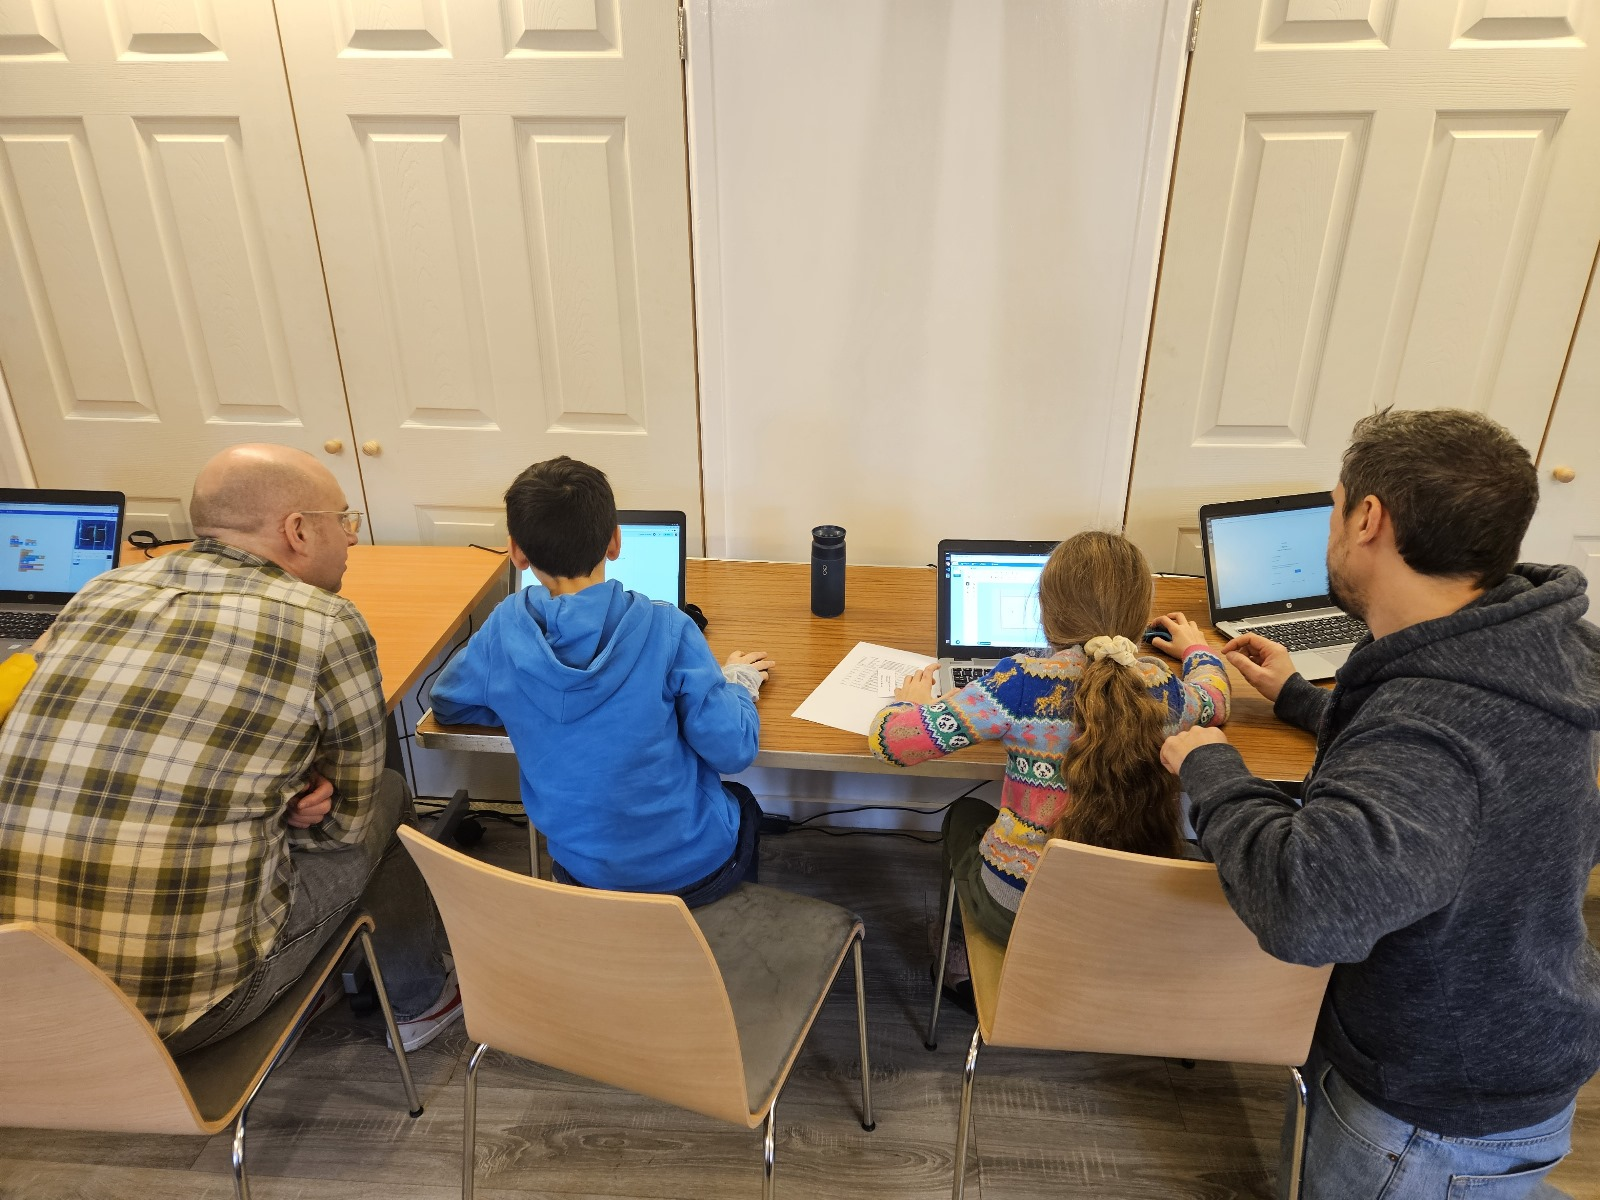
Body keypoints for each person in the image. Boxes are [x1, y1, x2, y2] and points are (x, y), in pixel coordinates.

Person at [1160, 409, 1600, 1200]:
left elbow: (1306, 908)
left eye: (1332, 505)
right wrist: (1301, 699)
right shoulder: (1526, 646)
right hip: (1515, 1039)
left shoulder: (1433, 723)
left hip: (1431, 1111)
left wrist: (1214, 769)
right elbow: (1462, 797)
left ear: (1369, 518)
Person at [0, 444, 460, 1053]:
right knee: (389, 798)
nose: (350, 539)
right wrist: (278, 802)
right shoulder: (327, 622)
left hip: (20, 997)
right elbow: (340, 829)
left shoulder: (100, 591)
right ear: (297, 530)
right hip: (176, 1016)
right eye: (343, 520)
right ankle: (421, 999)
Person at [867, 530, 1231, 957]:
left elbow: (891, 742)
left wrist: (906, 704)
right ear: (1140, 617)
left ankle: (956, 966)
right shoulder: (1162, 688)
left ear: (1045, 614)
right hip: (1129, 916)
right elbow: (1216, 702)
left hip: (1019, 913)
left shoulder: (1019, 683)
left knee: (962, 815)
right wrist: (1199, 652)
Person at [429, 456, 775, 906]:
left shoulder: (502, 632)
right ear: (615, 540)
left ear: (516, 551)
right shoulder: (667, 628)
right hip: (690, 875)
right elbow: (734, 749)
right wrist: (739, 683)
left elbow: (449, 704)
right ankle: (714, 945)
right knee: (743, 805)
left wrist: (521, 702)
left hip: (584, 878)